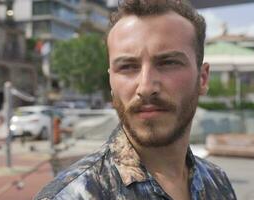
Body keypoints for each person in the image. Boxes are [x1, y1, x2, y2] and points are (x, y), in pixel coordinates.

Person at [35, 0, 237, 199]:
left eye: (168, 63)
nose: (146, 87)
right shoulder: (71, 195)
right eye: (127, 67)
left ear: (202, 78)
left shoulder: (217, 182)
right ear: (111, 81)